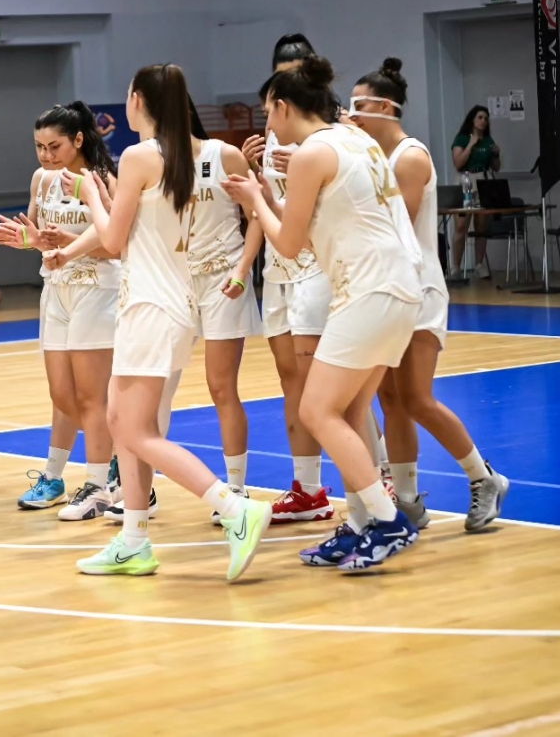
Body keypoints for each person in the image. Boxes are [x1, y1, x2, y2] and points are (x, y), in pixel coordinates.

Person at [47, 64, 272, 581]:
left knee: (134, 429)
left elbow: (113, 240)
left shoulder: (140, 155)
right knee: (119, 420)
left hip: (150, 304)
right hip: (169, 300)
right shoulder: (193, 153)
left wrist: (90, 196)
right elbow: (134, 230)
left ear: (138, 101)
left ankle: (235, 507)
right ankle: (134, 540)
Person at [223, 56, 422, 571]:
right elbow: (312, 235)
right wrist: (270, 199)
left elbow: (289, 247)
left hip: (370, 289)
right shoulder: (354, 138)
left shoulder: (313, 152)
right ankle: (360, 523)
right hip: (398, 286)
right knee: (351, 412)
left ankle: (387, 521)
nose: (267, 123)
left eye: (268, 112)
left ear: (284, 107)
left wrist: (255, 199)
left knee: (316, 411)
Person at [350, 59, 510, 533]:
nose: (351, 114)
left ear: (384, 107)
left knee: (417, 398)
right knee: (390, 399)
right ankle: (406, 499)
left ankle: (484, 478)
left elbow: (391, 224)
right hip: (384, 289)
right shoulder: (371, 158)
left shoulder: (410, 156)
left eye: (358, 105)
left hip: (419, 290)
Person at [0, 102, 119, 520]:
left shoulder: (103, 180)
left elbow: (118, 244)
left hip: (97, 289)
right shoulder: (41, 179)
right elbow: (42, 239)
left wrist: (69, 244)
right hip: (56, 288)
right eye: (39, 147)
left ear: (78, 140)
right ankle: (71, 473)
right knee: (61, 395)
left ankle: (99, 483)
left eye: (54, 146)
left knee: (90, 396)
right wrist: (27, 240)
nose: (46, 155)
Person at [239, 34, 343, 525]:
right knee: (292, 383)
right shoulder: (272, 129)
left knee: (333, 386)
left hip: (318, 266)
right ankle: (309, 488)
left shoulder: (334, 131)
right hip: (279, 268)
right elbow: (264, 207)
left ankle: (381, 478)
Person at [181, 100, 264, 523]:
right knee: (155, 388)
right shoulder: (151, 164)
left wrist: (242, 269)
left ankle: (236, 487)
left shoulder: (223, 155)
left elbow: (257, 216)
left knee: (220, 386)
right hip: (177, 282)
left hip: (222, 279)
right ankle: (134, 486)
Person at [449, 105, 501, 279]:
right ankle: (456, 267)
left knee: (482, 225)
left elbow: (496, 167)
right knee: (461, 225)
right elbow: (458, 163)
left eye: (486, 118)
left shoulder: (488, 140)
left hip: (483, 180)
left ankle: (479, 264)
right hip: (465, 180)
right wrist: (471, 144)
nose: (483, 121)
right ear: (472, 119)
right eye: (480, 117)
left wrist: (496, 155)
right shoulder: (462, 138)